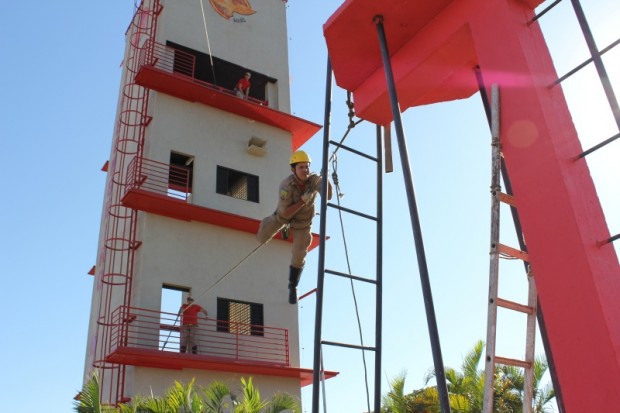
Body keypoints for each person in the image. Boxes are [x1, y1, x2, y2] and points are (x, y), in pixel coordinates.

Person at [257, 150, 332, 304]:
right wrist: (302, 201)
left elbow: (328, 195)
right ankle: (266, 231)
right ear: (294, 170)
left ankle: (293, 285)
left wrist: (326, 178)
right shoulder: (286, 186)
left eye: (307, 166)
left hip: (302, 223)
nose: (305, 170)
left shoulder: (313, 180)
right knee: (263, 235)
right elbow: (285, 213)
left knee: (300, 252)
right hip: (284, 217)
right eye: (301, 167)